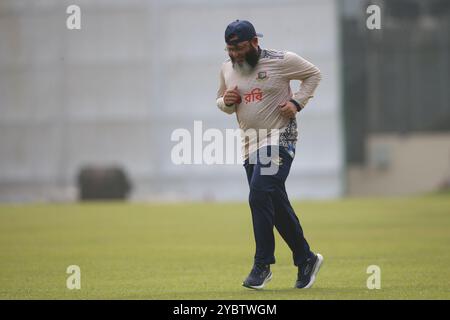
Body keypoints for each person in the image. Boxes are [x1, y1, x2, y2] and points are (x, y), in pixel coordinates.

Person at [216, 20, 323, 289]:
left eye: (239, 48)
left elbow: (313, 74)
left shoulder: (281, 60)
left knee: (259, 193)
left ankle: (262, 266)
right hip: (249, 145)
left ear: (254, 42)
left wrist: (297, 102)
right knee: (274, 206)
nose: (235, 54)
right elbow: (222, 101)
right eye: (230, 49)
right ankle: (306, 258)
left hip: (280, 139)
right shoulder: (227, 68)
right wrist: (225, 102)